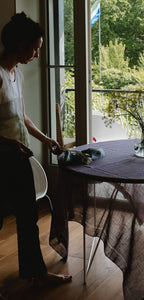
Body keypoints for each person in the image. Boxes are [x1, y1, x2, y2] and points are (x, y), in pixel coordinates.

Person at [0, 12, 72, 293]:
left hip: (18, 158)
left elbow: (22, 118)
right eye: (36, 48)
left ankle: (36, 274)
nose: (37, 53)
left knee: (28, 219)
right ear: (20, 45)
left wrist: (47, 140)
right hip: (3, 158)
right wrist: (9, 143)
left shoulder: (16, 74)